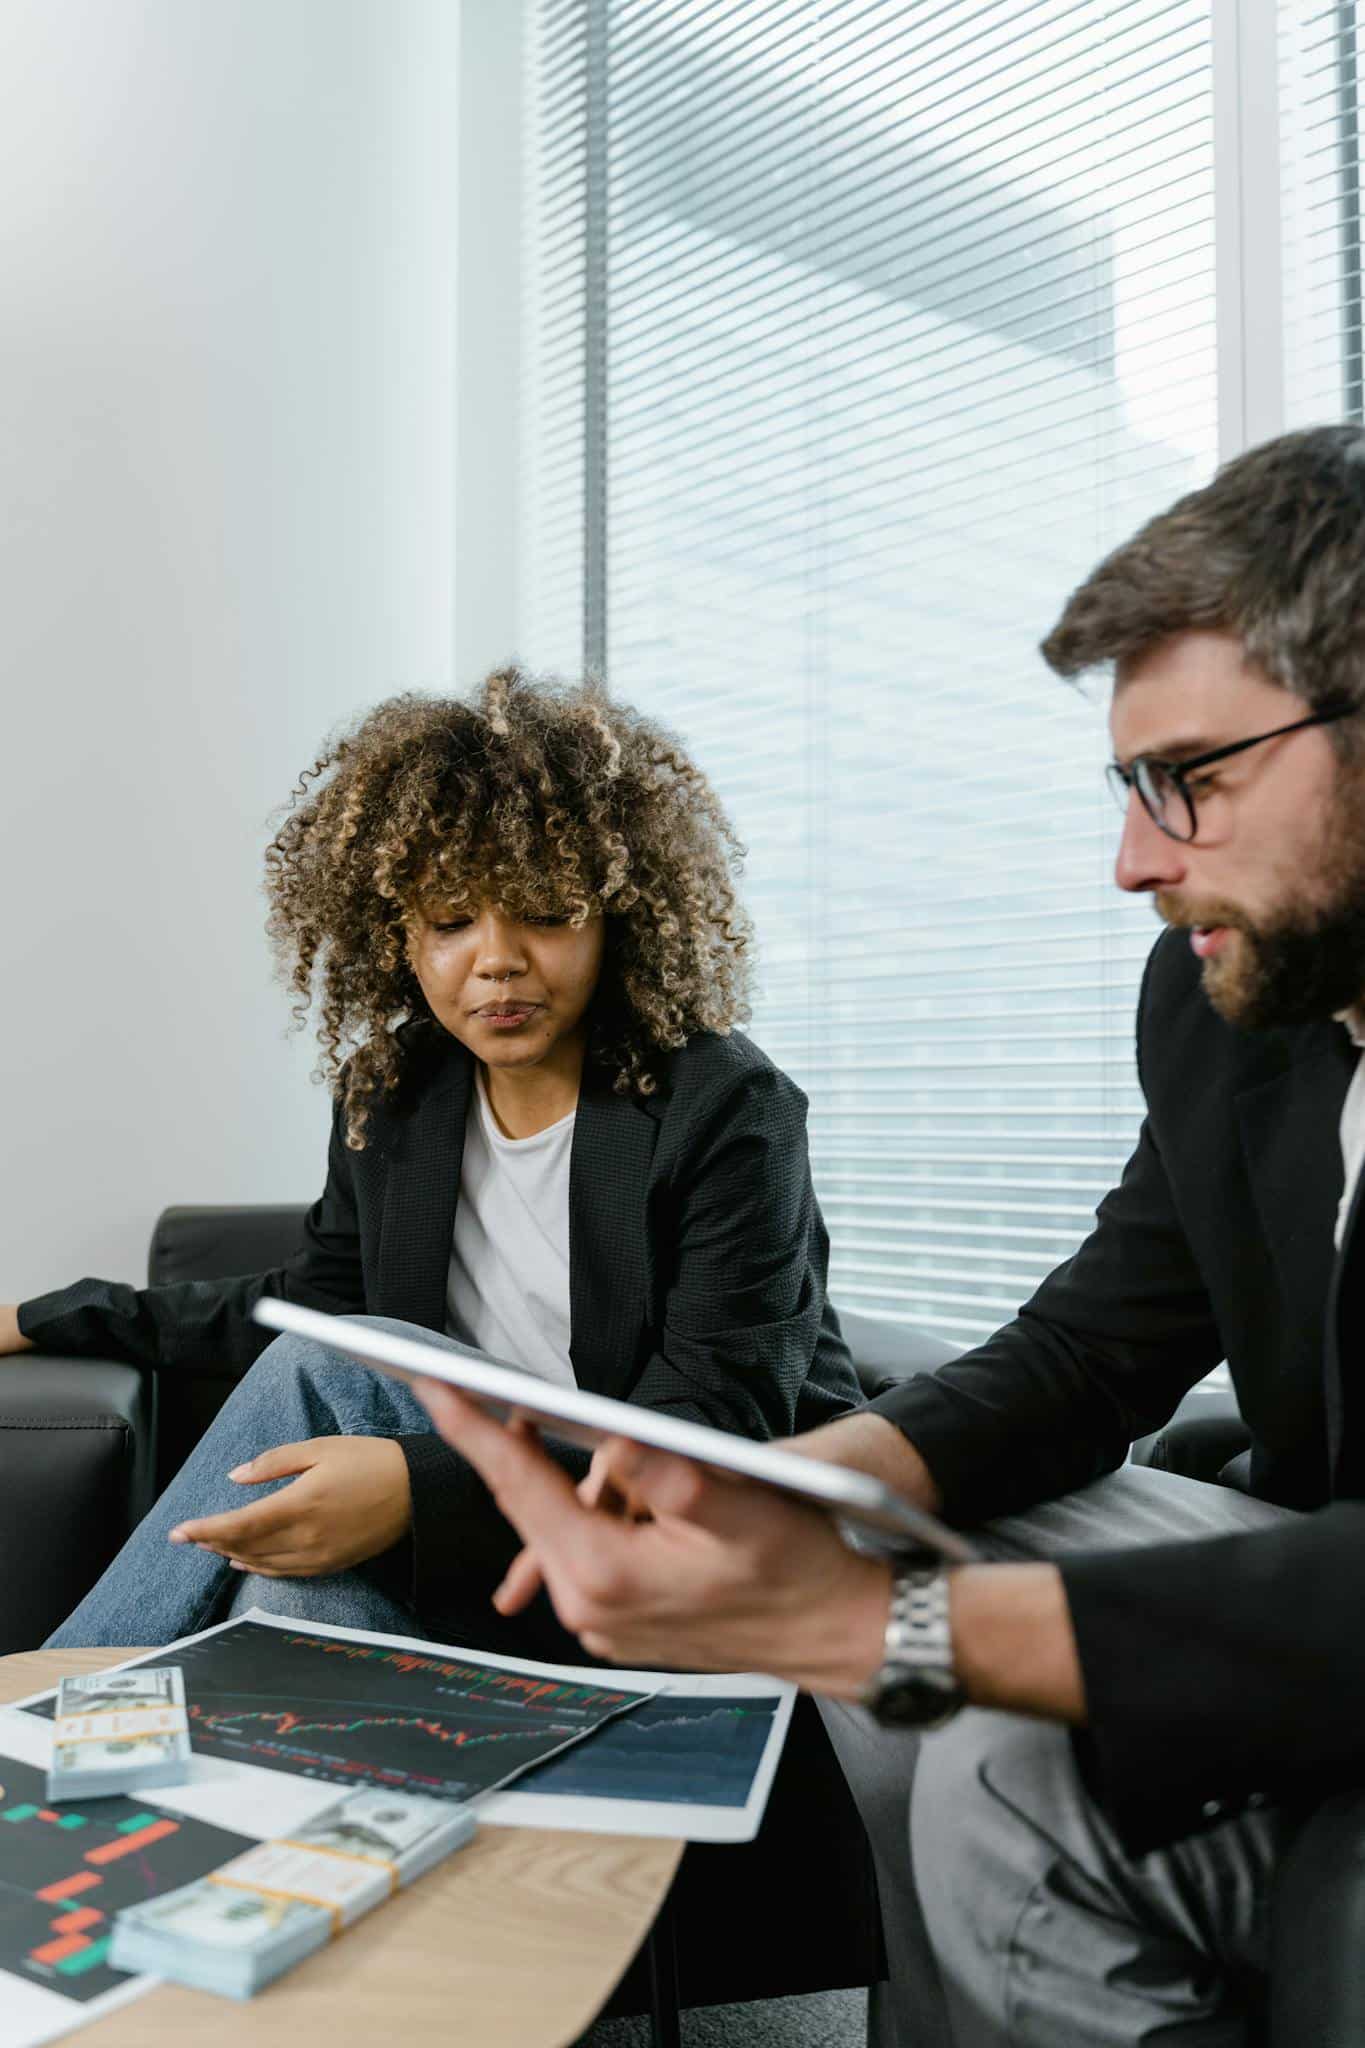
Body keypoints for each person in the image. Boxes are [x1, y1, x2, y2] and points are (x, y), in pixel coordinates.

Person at [414, 427, 1365, 2047]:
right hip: (1292, 1541)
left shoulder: (714, 1106)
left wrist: (873, 1622)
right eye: (1132, 788)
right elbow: (1094, 1347)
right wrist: (807, 1488)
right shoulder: (1224, 1008)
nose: (1136, 859)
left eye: (1194, 778)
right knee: (884, 1564)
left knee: (992, 1735)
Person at [2, 668, 858, 1653]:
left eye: (544, 909)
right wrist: (44, 1316)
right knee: (286, 1599)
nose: (497, 959)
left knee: (330, 1368)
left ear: (617, 913)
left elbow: (715, 1418)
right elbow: (310, 1296)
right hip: (473, 1552)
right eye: (452, 919)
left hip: (661, 1550)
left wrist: (414, 1485)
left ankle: (48, 1710)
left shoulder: (725, 1105)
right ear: (396, 934)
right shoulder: (395, 1090)